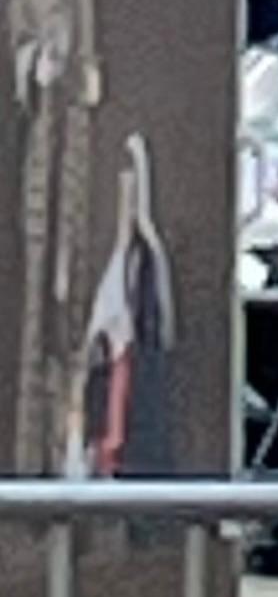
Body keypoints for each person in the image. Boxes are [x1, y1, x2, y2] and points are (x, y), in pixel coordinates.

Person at [9, 0, 104, 474]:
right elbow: (25, 33)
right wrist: (33, 67)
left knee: (73, 295)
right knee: (40, 293)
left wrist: (83, 73)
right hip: (40, 144)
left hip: (77, 147)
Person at [74, 134, 177, 480]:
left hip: (119, 350)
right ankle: (135, 176)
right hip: (124, 350)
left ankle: (135, 177)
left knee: (132, 241)